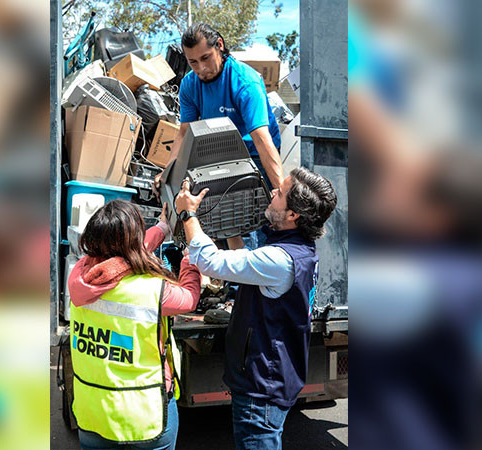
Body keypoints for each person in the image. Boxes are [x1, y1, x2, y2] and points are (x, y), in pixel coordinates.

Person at [174, 167, 338, 450]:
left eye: (280, 193)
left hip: (262, 385)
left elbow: (209, 261)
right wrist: (234, 233)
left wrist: (188, 214)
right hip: (271, 377)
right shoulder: (300, 250)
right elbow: (248, 264)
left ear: (293, 215)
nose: (272, 192)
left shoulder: (279, 259)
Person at [67, 200, 201, 450]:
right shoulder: (153, 291)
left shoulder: (80, 276)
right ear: (132, 243)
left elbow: (122, 258)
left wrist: (162, 227)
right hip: (145, 414)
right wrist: (190, 260)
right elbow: (190, 297)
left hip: (93, 412)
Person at [156, 23, 284, 193]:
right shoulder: (189, 85)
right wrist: (167, 173)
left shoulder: (245, 83)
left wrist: (282, 194)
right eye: (192, 62)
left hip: (255, 152)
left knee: (261, 208)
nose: (201, 68)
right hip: (219, 151)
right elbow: (184, 133)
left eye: (205, 58)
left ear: (219, 45)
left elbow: (261, 139)